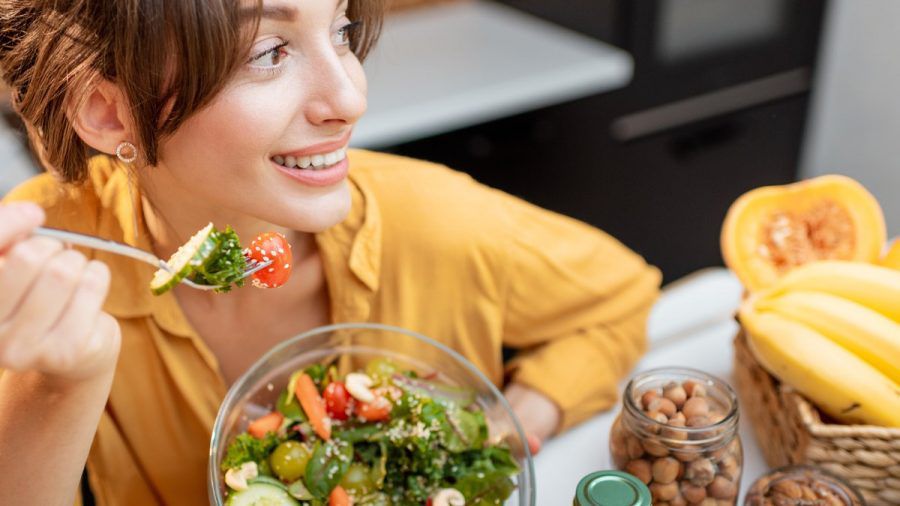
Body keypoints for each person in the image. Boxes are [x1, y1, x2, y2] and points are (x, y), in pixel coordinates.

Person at [0, 0, 661, 504]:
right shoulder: (45, 260)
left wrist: (504, 426)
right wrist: (62, 381)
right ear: (110, 114)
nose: (350, 98)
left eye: (341, 30)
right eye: (269, 53)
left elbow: (622, 299)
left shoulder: (437, 221)